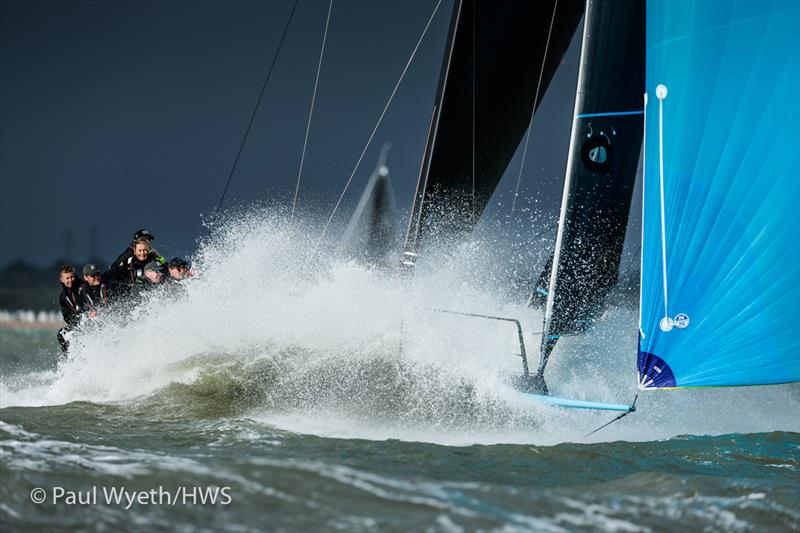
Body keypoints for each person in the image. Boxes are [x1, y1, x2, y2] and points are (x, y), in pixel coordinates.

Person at [57, 264, 83, 353]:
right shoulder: (63, 297)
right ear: (62, 279)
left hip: (90, 320)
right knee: (62, 334)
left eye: (72, 277)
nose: (70, 280)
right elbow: (66, 315)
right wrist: (75, 323)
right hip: (78, 323)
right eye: (67, 278)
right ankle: (70, 360)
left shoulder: (83, 287)